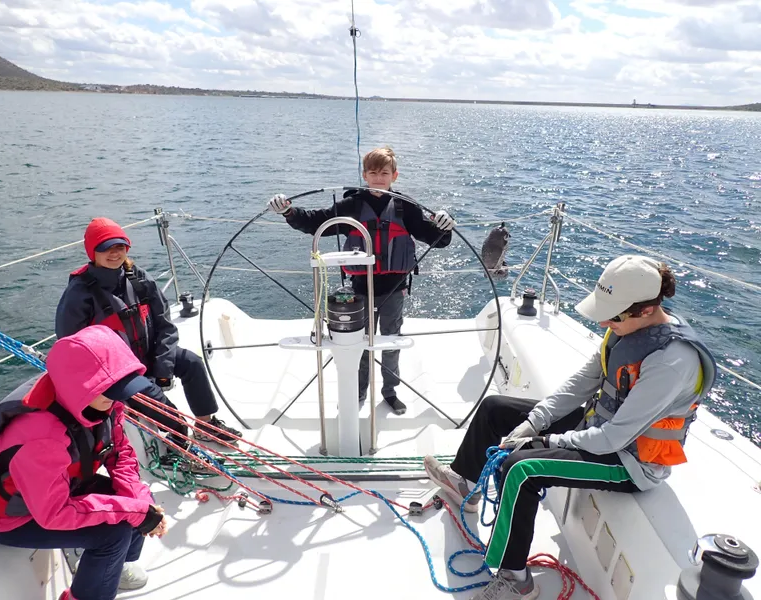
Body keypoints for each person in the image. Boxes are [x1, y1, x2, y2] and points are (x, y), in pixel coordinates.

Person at [423, 255, 717, 600]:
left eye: (613, 315)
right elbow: (581, 384)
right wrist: (533, 422)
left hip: (629, 461)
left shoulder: (671, 362)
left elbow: (613, 438)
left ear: (647, 310)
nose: (604, 321)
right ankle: (466, 485)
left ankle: (516, 579)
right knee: (495, 409)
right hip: (599, 428)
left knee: (519, 470)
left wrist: (548, 440)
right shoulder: (625, 329)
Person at [0, 325, 170, 600]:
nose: (118, 398)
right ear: (82, 386)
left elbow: (120, 453)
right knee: (114, 534)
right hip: (14, 516)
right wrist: (135, 513)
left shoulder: (102, 402)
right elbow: (54, 513)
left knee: (140, 502)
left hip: (62, 487)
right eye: (112, 391)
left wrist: (141, 505)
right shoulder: (40, 436)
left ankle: (114, 568)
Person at [268, 146, 456, 414]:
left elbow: (436, 239)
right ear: (364, 175)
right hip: (359, 289)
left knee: (391, 342)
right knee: (359, 344)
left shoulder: (406, 207)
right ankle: (358, 392)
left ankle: (390, 392)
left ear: (394, 175)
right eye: (373, 173)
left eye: (384, 173)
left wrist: (444, 225)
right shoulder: (352, 205)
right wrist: (288, 211)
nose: (379, 178)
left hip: (394, 290)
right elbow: (315, 222)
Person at [55, 217, 241, 445]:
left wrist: (163, 366)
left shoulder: (137, 277)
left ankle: (205, 424)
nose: (114, 253)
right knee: (159, 403)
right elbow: (71, 346)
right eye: (106, 248)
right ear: (92, 252)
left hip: (148, 354)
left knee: (192, 362)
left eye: (120, 247)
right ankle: (179, 438)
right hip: (117, 373)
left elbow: (165, 324)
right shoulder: (79, 294)